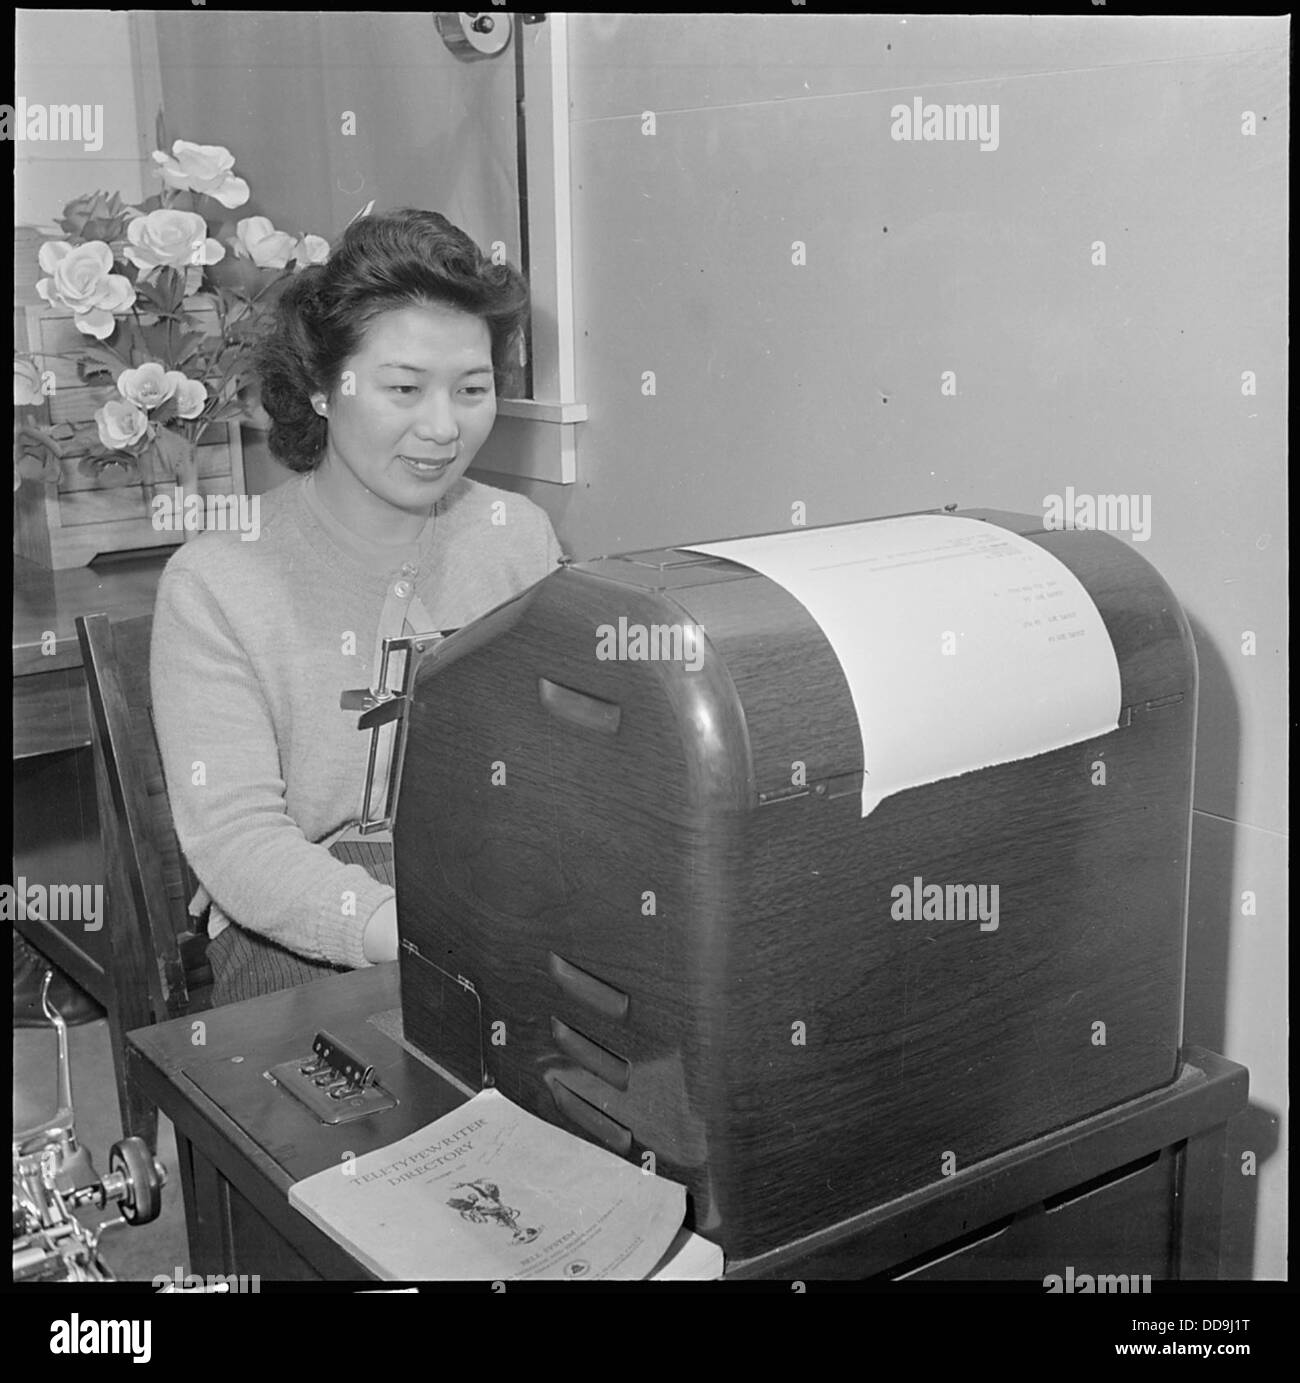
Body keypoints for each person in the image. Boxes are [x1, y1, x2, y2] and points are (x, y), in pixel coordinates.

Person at [150, 208, 563, 1005]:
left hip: (487, 887)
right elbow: (238, 844)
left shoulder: (518, 538)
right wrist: (410, 929)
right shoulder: (216, 581)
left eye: (472, 389)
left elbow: (554, 776)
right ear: (321, 386)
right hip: (297, 923)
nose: (442, 428)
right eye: (403, 388)